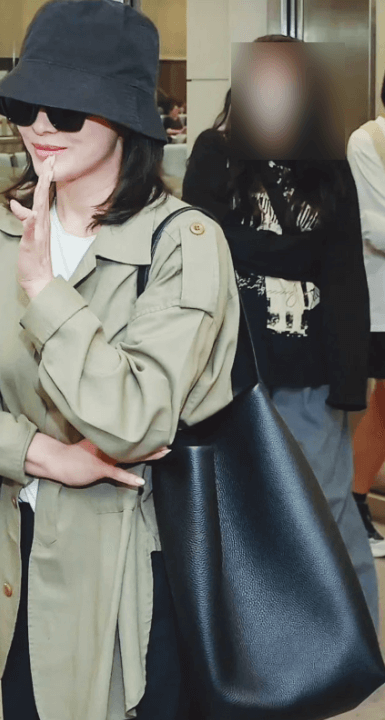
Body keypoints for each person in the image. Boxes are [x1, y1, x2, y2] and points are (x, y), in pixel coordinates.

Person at [0, 2, 240, 719]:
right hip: (24, 540)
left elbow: (135, 418)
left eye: (65, 110)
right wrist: (46, 456)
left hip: (141, 556)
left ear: (124, 118)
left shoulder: (184, 244)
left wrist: (46, 294)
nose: (38, 127)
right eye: (26, 105)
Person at [182, 34, 379, 631]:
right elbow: (202, 252)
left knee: (325, 508)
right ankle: (261, 647)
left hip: (310, 370)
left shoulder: (328, 164)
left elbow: (343, 271)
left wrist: (350, 380)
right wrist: (295, 253)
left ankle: (352, 645)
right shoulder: (215, 154)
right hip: (234, 366)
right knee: (243, 512)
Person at [347, 69, 385, 558]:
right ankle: (353, 502)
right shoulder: (368, 141)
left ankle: (354, 502)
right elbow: (374, 226)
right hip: (380, 299)